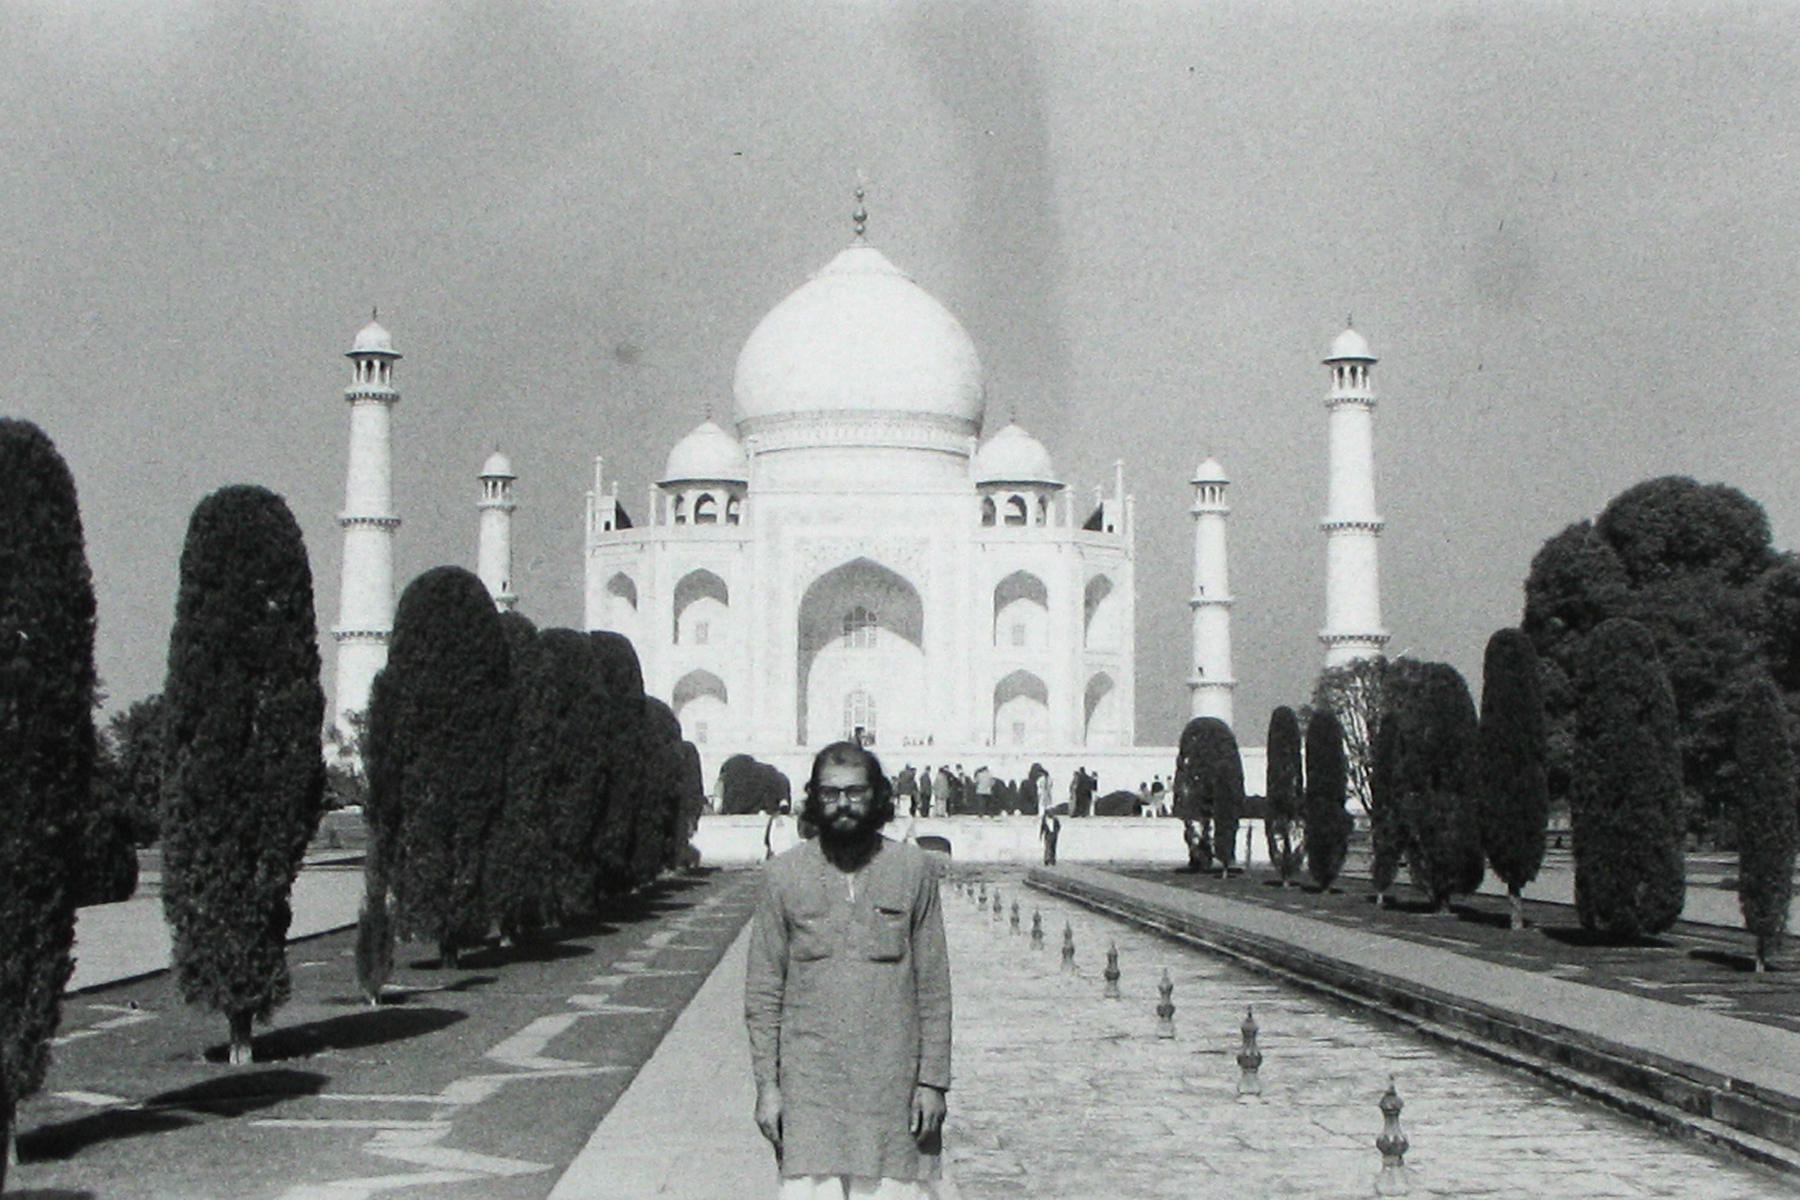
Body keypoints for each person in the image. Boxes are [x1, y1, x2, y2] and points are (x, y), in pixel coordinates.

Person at [745, 742, 952, 1199]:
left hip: (894, 1087)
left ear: (877, 796)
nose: (843, 805)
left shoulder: (913, 870)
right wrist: (767, 1086)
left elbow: (933, 987)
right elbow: (763, 993)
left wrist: (933, 1082)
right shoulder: (783, 876)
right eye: (830, 793)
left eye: (856, 793)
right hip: (810, 1088)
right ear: (814, 799)